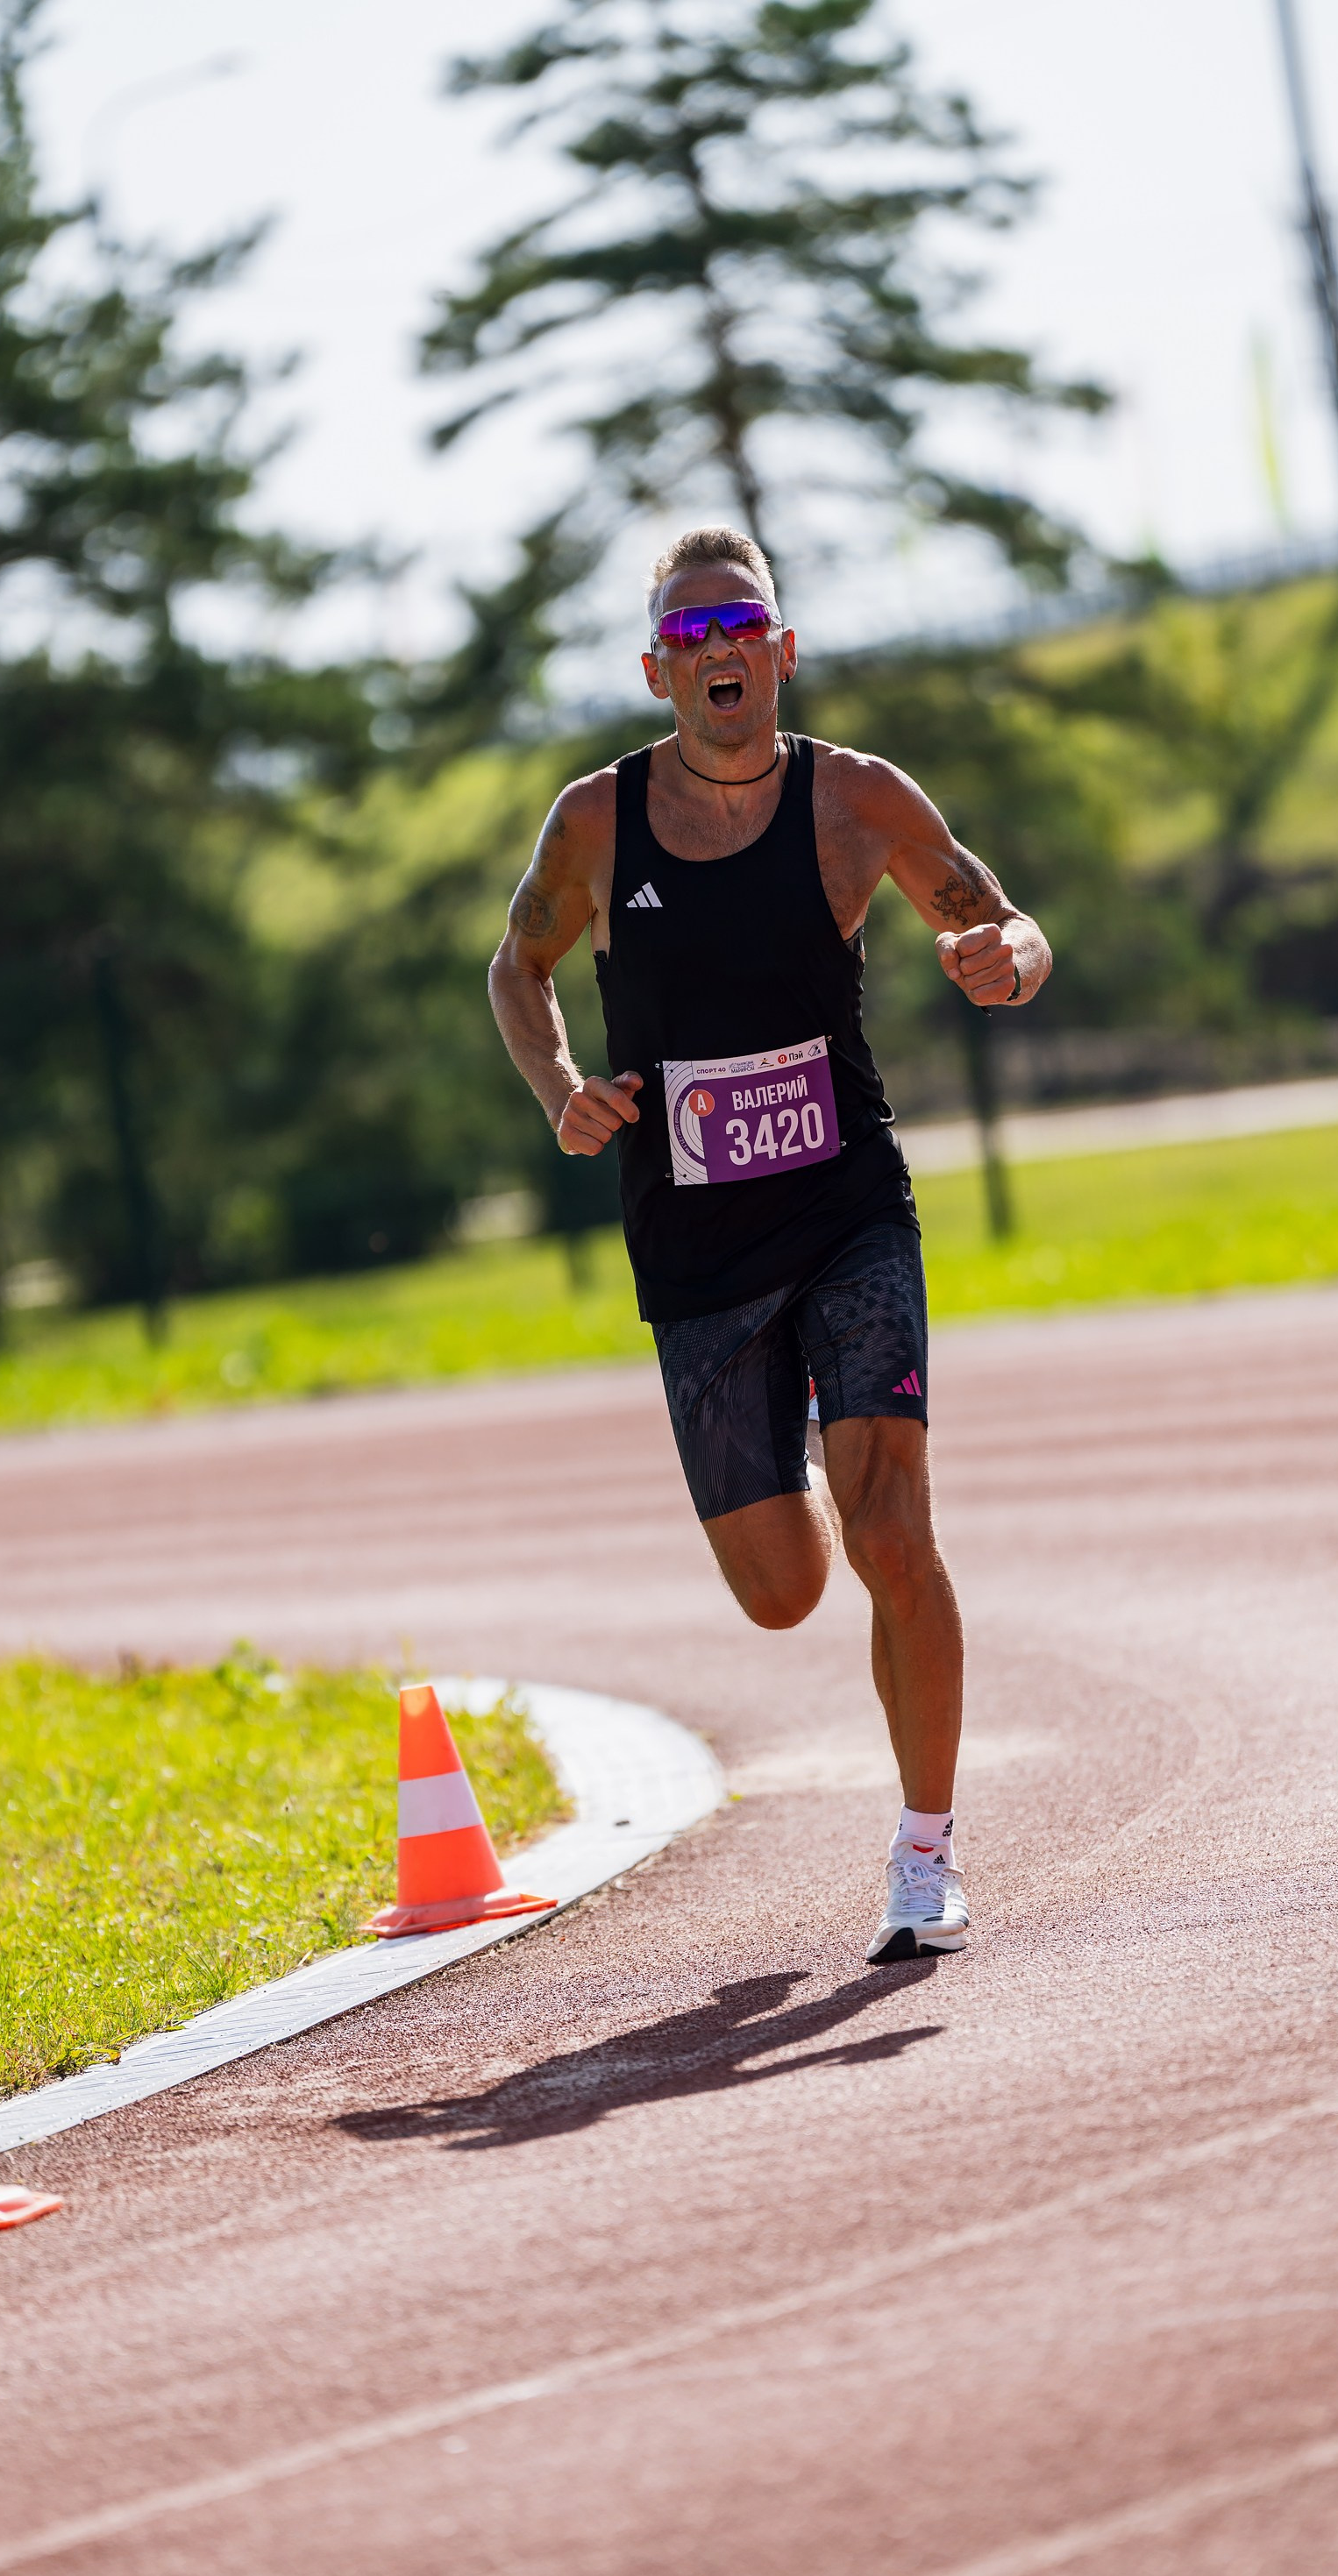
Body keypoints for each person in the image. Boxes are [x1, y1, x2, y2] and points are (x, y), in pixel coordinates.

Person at [488, 525, 1050, 1960]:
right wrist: (562, 1092)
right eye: (689, 637)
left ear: (784, 648)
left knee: (892, 1532)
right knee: (784, 1591)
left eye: (740, 626)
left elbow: (1002, 918)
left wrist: (1010, 957)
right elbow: (520, 963)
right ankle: (795, 1425)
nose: (718, 651)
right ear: (655, 671)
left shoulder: (857, 801)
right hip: (694, 1251)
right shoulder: (597, 825)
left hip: (848, 1208)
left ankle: (924, 1858)